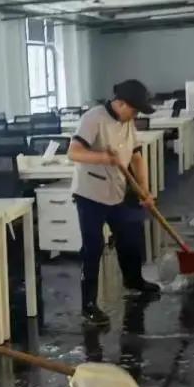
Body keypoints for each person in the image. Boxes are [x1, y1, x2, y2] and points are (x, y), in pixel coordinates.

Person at [67, 79, 161, 326]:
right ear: (121, 103)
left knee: (130, 235)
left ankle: (134, 281)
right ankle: (88, 305)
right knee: (93, 247)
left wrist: (144, 190)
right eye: (134, 110)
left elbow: (136, 157)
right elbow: (73, 152)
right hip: (90, 194)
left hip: (116, 191)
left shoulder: (127, 122)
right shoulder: (93, 118)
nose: (136, 115)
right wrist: (103, 158)